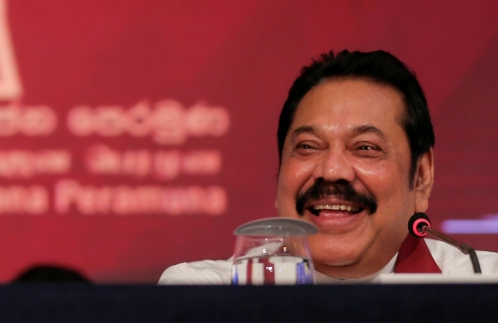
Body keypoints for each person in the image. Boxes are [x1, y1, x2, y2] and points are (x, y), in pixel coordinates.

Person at [159, 49, 498, 284]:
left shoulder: (483, 287)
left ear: (421, 178)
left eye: (365, 148)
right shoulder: (202, 294)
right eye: (307, 147)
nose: (332, 170)